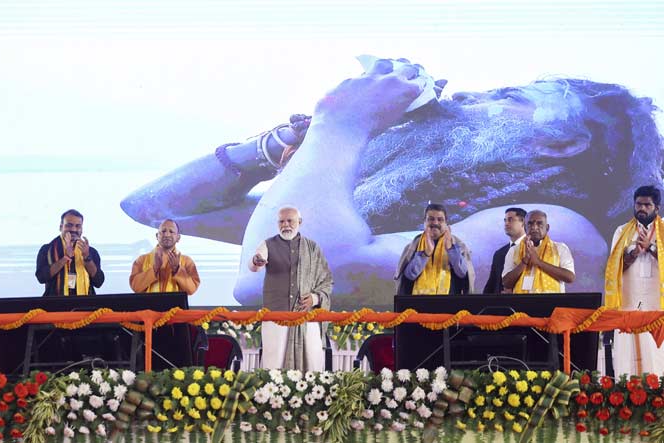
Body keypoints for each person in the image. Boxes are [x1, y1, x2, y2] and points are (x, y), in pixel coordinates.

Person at [121, 57, 659, 307]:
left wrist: (344, 126)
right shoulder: (383, 213)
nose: (467, 100)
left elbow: (286, 282)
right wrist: (278, 148)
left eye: (509, 100)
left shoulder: (554, 226)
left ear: (561, 143)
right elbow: (155, 207)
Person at [249, 206, 332, 370]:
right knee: (274, 365)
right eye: (281, 221)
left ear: (299, 222)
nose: (285, 225)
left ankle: (312, 396)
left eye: (290, 221)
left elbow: (326, 280)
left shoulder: (312, 248)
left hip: (307, 315)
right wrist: (256, 261)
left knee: (312, 363)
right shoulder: (268, 244)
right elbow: (255, 263)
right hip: (276, 316)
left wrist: (314, 299)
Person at [605, 185, 664, 376]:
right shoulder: (622, 232)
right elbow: (613, 270)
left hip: (658, 303)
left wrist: (651, 248)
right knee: (628, 354)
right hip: (629, 303)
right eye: (639, 204)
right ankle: (627, 397)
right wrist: (635, 253)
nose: (642, 208)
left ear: (657, 207)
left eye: (647, 205)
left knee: (658, 354)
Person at [395, 203, 474, 295]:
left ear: (446, 223)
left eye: (440, 219)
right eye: (431, 219)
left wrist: (451, 249)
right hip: (419, 305)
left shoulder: (459, 245)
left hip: (450, 304)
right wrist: (425, 254)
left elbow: (463, 273)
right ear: (424, 221)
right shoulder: (412, 246)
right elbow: (409, 276)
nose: (435, 223)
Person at [502, 210, 575, 293]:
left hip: (552, 302)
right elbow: (506, 283)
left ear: (547, 228)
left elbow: (570, 277)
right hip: (522, 303)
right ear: (525, 228)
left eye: (539, 223)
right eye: (530, 224)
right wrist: (524, 261)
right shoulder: (514, 250)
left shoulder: (560, 248)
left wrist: (538, 262)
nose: (534, 227)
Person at [35, 209, 104, 296]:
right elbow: (41, 278)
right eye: (69, 225)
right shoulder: (47, 249)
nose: (73, 229)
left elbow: (99, 282)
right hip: (55, 304)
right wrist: (65, 258)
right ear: (61, 227)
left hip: (85, 304)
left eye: (78, 226)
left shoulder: (90, 251)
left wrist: (87, 257)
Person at [129, 219, 200, 294]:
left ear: (178, 238)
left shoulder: (187, 261)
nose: (167, 235)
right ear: (157, 236)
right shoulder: (142, 260)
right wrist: (154, 269)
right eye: (163, 231)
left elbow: (191, 290)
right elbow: (136, 287)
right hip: (148, 305)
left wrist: (177, 269)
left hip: (175, 306)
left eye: (171, 231)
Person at [483, 208, 527, 294]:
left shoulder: (533, 249)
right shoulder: (499, 253)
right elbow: (492, 284)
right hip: (499, 304)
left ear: (523, 222)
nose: (506, 224)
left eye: (510, 220)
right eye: (505, 220)